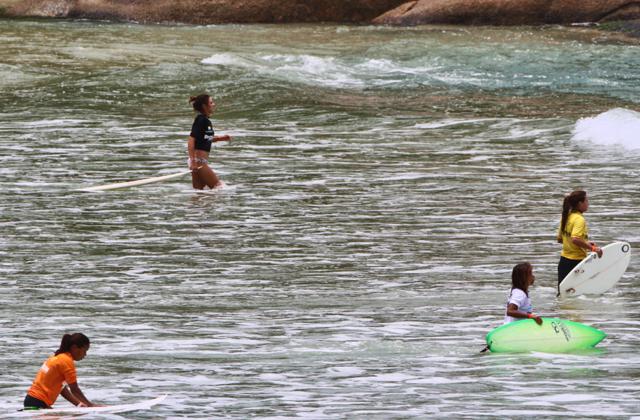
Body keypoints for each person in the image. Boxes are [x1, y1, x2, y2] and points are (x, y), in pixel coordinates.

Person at [24, 333, 98, 409]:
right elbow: (74, 389)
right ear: (74, 347)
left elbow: (61, 388)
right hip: (38, 402)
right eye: (85, 351)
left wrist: (78, 404)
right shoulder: (66, 361)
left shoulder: (58, 357)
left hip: (32, 400)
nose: (85, 354)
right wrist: (90, 405)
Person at [556, 190, 603, 293]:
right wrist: (593, 248)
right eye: (586, 201)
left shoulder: (566, 217)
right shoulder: (579, 219)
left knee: (562, 294)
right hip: (576, 263)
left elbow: (560, 239)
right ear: (580, 203)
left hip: (564, 262)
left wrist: (585, 243)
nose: (588, 203)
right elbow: (575, 239)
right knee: (581, 292)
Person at [187, 93, 231, 189]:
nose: (213, 104)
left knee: (199, 193)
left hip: (197, 161)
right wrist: (194, 162)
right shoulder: (202, 120)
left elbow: (206, 138)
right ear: (204, 106)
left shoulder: (204, 121)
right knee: (220, 188)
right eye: (211, 103)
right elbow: (191, 140)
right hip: (199, 162)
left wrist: (221, 138)